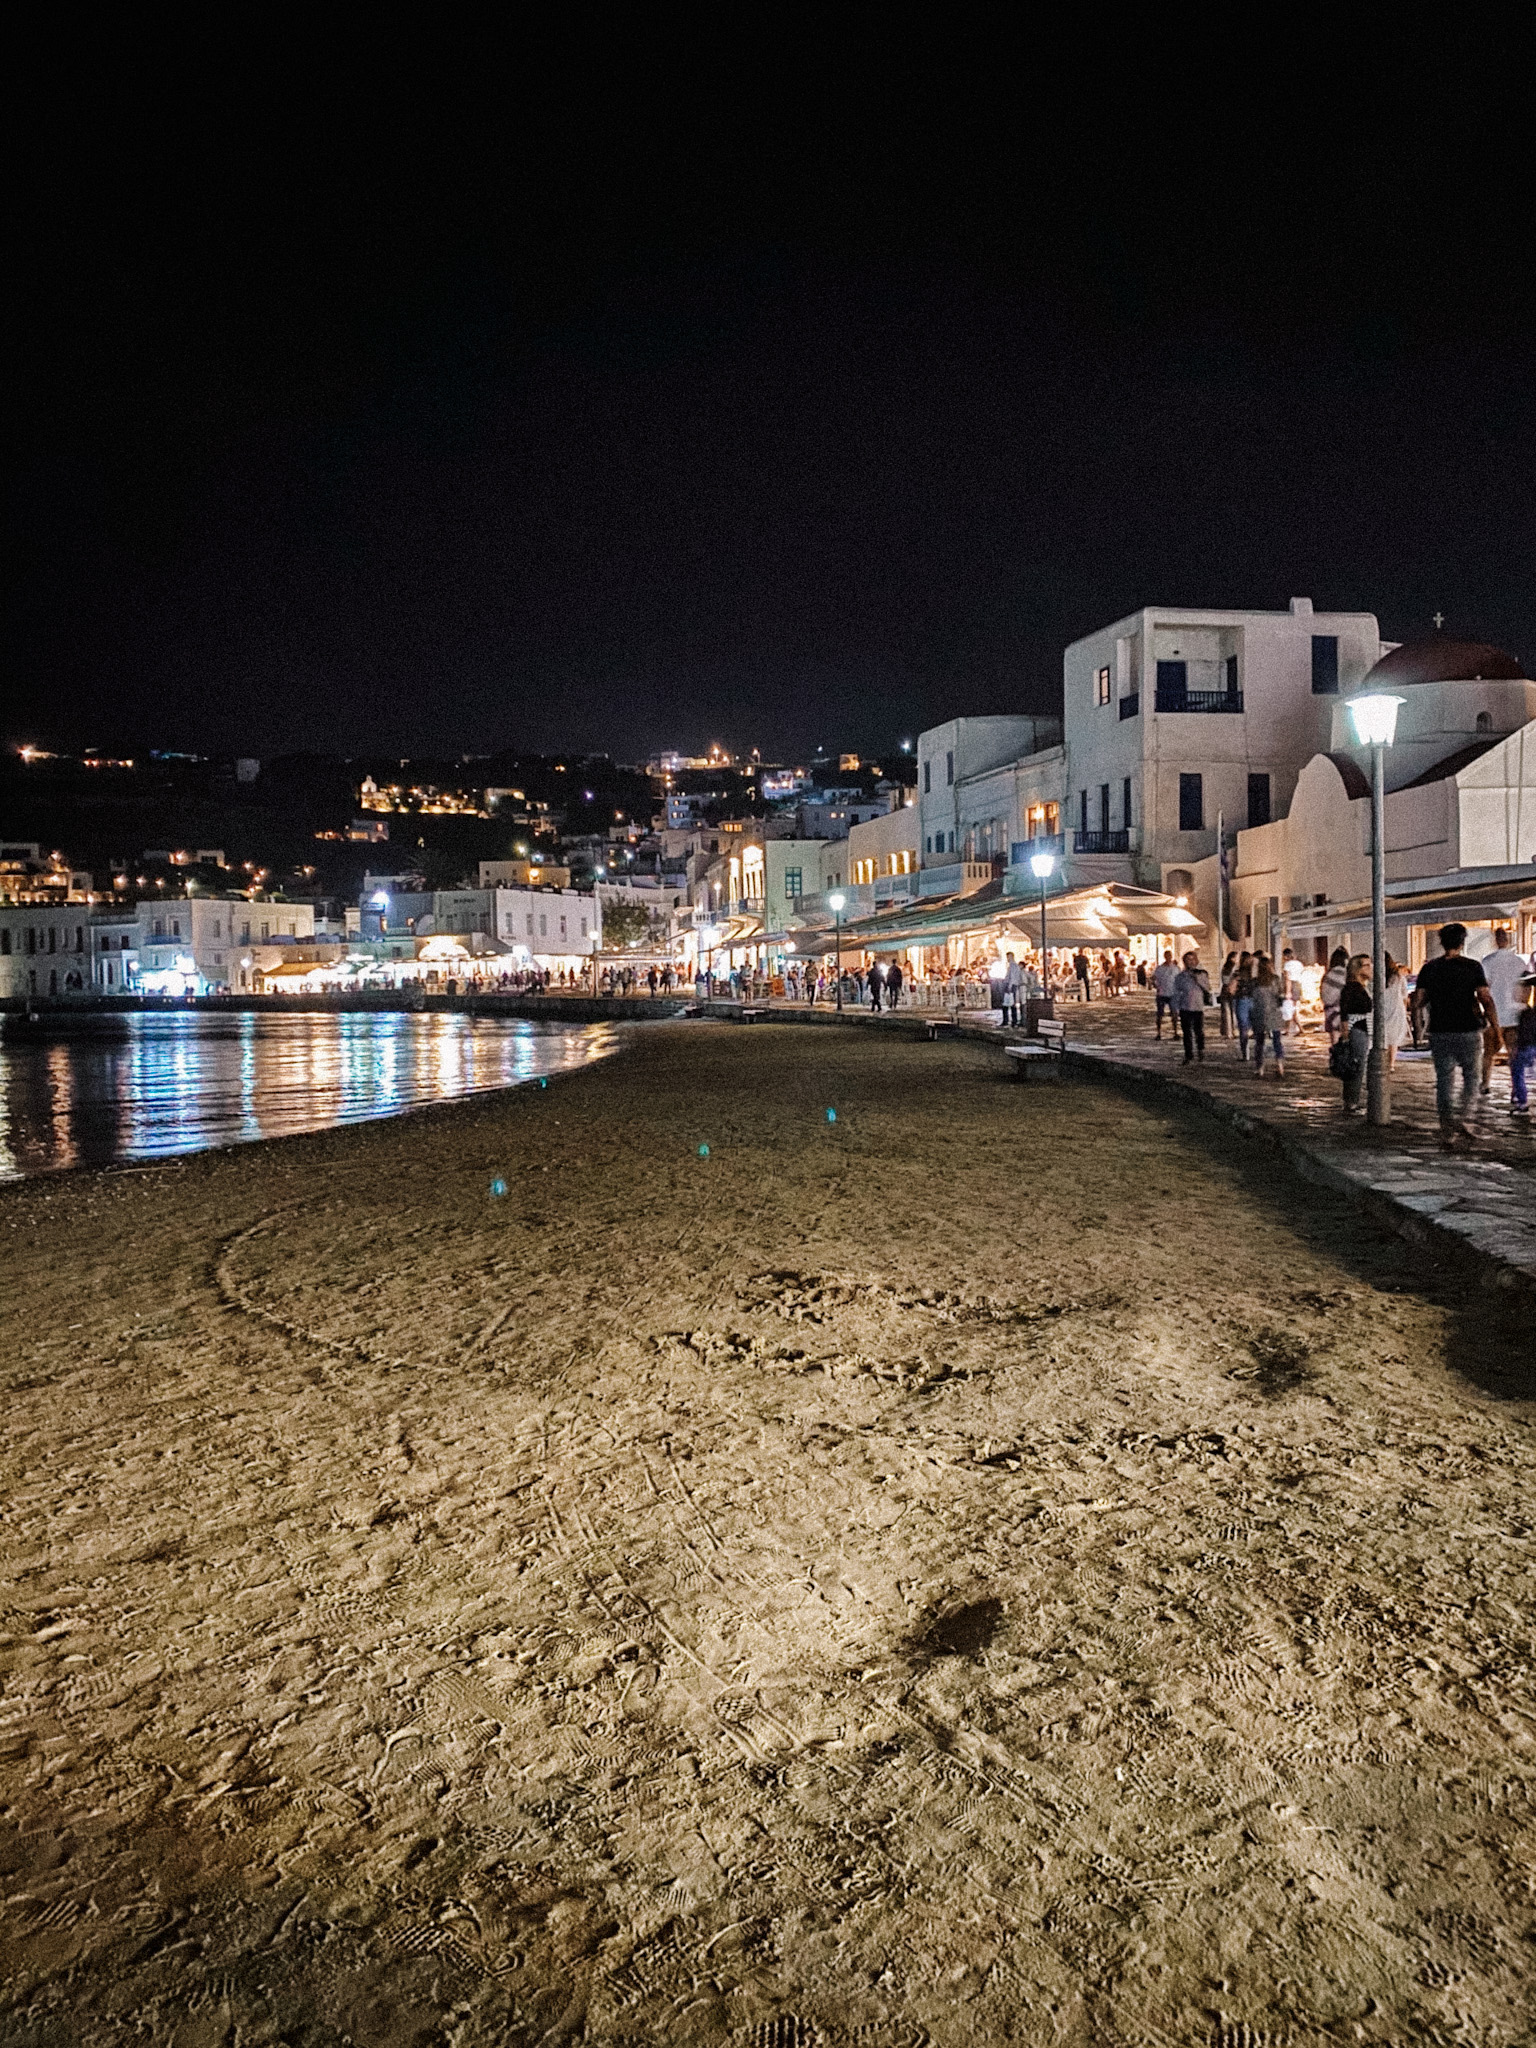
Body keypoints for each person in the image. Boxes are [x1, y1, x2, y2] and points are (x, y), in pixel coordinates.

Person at [1411, 923, 1500, 1148]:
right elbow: (1485, 999)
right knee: (1472, 1077)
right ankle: (1463, 1118)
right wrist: (1496, 1028)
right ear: (1462, 942)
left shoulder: (1429, 969)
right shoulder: (1472, 967)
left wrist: (1416, 1032)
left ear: (1442, 942)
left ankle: (1447, 1128)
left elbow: (1418, 1002)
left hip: (1440, 1030)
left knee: (1444, 1080)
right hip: (1468, 1030)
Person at [1483, 928, 1530, 1092]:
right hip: (1514, 1013)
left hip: (1495, 1013)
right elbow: (1526, 986)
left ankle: (1485, 1084)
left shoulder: (1487, 961)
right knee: (1513, 1052)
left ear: (1496, 940)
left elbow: (1485, 988)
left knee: (1489, 1052)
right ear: (1508, 940)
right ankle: (1516, 1085)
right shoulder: (1519, 962)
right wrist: (1522, 1004)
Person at [1337, 954, 1373, 1113]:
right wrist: (1345, 1033)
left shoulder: (1360, 986)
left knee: (1356, 1065)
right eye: (1366, 965)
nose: (1370, 968)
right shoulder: (1352, 987)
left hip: (1360, 1028)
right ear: (1357, 969)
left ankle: (1351, 1101)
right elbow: (1344, 1012)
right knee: (1357, 1065)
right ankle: (1352, 1102)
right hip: (1357, 1029)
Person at [1172, 949, 1212, 1064]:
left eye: (1192, 959)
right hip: (1185, 1007)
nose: (1190, 962)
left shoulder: (1202, 973)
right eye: (1187, 960)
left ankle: (1200, 1050)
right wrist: (1175, 1007)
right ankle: (1188, 1054)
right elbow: (1176, 991)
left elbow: (1207, 988)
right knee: (1186, 1032)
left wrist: (1197, 978)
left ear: (1196, 961)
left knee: (1199, 1031)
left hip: (1197, 1006)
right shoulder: (1180, 976)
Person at [1249, 956, 1285, 1077]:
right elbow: (1280, 996)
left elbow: (1251, 997)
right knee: (1276, 1041)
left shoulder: (1254, 982)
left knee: (1259, 1042)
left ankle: (1260, 1068)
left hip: (1259, 1012)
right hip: (1273, 1012)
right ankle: (1280, 1066)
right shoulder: (1276, 979)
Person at [1509, 972, 1536, 1116]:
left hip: (1527, 1046)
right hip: (1530, 1046)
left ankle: (1522, 1103)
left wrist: (1517, 1047)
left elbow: (1524, 1033)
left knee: (1517, 1071)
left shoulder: (1526, 1013)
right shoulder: (1528, 1011)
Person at [1382, 954, 1409, 1071]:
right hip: (1396, 1008)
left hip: (1382, 1007)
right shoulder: (1399, 977)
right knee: (1394, 1038)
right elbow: (1404, 995)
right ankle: (1391, 1064)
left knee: (1382, 1035)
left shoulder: (1377, 977)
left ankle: (1382, 1061)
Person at [1319, 947, 1349, 1044]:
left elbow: (1323, 992)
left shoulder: (1327, 975)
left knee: (1334, 1034)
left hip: (1329, 1008)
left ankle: (1335, 1054)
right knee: (1344, 1034)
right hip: (1342, 1008)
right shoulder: (1346, 974)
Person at [1232, 951, 1256, 1060]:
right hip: (1255, 1001)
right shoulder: (1256, 974)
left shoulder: (1238, 974)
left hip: (1242, 1000)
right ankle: (1258, 1051)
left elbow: (1231, 989)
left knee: (1243, 1028)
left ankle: (1245, 1053)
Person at [1151, 951, 1179, 1038]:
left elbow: (1179, 979)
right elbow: (1153, 978)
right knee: (1160, 1014)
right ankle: (1158, 1033)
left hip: (1173, 993)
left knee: (1174, 1014)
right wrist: (1156, 985)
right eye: (1167, 956)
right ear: (1164, 957)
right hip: (1162, 994)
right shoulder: (1159, 968)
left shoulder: (1176, 968)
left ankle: (1175, 1032)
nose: (1168, 957)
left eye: (1170, 956)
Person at [1218, 951, 1239, 1037]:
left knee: (1226, 1011)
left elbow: (1223, 979)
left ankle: (1227, 1031)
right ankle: (1234, 1030)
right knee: (1233, 1011)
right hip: (1233, 989)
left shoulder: (1225, 967)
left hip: (1224, 989)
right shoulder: (1235, 968)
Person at [1002, 951, 1024, 1027]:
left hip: (1011, 986)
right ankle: (1011, 1021)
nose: (1007, 959)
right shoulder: (1012, 965)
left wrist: (1009, 986)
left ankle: (1009, 1021)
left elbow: (1013, 977)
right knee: (1009, 1004)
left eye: (1008, 957)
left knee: (1009, 1004)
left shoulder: (1013, 966)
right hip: (1011, 985)